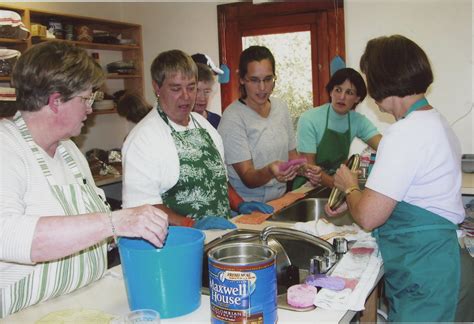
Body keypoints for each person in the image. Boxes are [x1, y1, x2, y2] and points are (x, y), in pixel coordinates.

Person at [0, 41, 168, 319]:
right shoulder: (6, 147)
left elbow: (93, 223)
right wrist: (117, 221)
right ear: (56, 101)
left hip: (81, 301)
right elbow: (6, 234)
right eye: (86, 99)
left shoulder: (68, 151)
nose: (90, 109)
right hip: (23, 313)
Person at [326, 35, 472, 321]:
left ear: (381, 80)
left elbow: (369, 217)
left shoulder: (405, 133)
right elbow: (410, 195)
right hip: (441, 265)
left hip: (431, 274)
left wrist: (350, 186)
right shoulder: (434, 122)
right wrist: (357, 198)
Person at [122, 49, 270, 230]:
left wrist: (240, 204)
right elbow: (142, 207)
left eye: (191, 87)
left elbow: (218, 180)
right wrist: (191, 224)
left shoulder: (204, 126)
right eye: (176, 88)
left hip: (219, 237)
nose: (186, 96)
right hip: (179, 245)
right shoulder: (143, 139)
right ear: (157, 87)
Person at [218, 45, 321, 203]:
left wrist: (306, 170)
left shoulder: (280, 107)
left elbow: (292, 157)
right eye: (254, 80)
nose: (262, 88)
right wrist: (270, 170)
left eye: (268, 79)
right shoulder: (233, 117)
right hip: (247, 205)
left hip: (280, 198)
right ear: (242, 79)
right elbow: (248, 178)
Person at [295, 68, 382, 189]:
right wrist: (342, 187)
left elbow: (383, 146)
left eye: (349, 93)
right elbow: (309, 167)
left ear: (357, 98)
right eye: (338, 90)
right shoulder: (309, 119)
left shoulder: (358, 121)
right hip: (307, 185)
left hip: (335, 183)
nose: (342, 97)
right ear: (331, 92)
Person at [191, 53, 222, 129]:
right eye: (197, 90)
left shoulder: (218, 121)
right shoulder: (178, 123)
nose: (202, 98)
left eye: (207, 91)